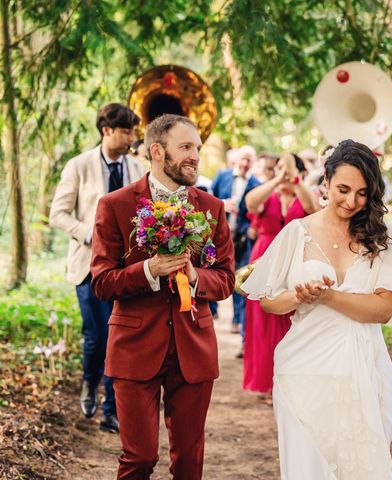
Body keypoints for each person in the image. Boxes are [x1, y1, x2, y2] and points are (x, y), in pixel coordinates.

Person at [241, 140, 392, 479]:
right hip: (302, 369)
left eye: (363, 193)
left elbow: (383, 309)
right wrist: (297, 296)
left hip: (361, 367)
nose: (351, 201)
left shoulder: (380, 237)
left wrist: (329, 297)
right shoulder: (297, 233)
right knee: (310, 467)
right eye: (343, 189)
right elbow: (267, 300)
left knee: (362, 466)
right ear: (325, 180)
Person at [90, 114, 235, 479]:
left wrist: (195, 276)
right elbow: (102, 282)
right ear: (157, 151)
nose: (195, 156)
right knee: (138, 457)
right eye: (185, 147)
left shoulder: (212, 208)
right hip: (134, 346)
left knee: (189, 459)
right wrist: (149, 271)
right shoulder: (116, 205)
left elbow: (226, 279)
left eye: (197, 148)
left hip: (194, 346)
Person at [49, 103, 146, 433]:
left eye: (134, 131)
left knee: (120, 338)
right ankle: (90, 382)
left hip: (127, 267)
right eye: (127, 131)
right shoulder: (77, 166)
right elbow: (58, 214)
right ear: (107, 130)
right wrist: (90, 234)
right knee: (96, 338)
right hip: (88, 266)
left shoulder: (137, 166)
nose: (133, 137)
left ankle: (111, 410)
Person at [242, 153, 320, 398]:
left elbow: (313, 208)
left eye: (288, 170)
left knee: (293, 317)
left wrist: (296, 180)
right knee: (264, 321)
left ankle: (291, 380)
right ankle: (267, 383)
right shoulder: (269, 195)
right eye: (278, 169)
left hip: (296, 259)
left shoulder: (305, 193)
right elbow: (250, 203)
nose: (283, 174)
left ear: (300, 173)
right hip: (265, 258)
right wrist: (277, 179)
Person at [210, 145, 261, 337]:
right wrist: (222, 205)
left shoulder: (257, 183)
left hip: (241, 240)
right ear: (237, 160)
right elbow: (208, 198)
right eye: (243, 159)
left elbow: (256, 213)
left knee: (240, 279)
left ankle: (238, 321)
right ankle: (212, 311)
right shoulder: (222, 176)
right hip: (218, 237)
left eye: (249, 160)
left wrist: (249, 228)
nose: (246, 163)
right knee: (214, 275)